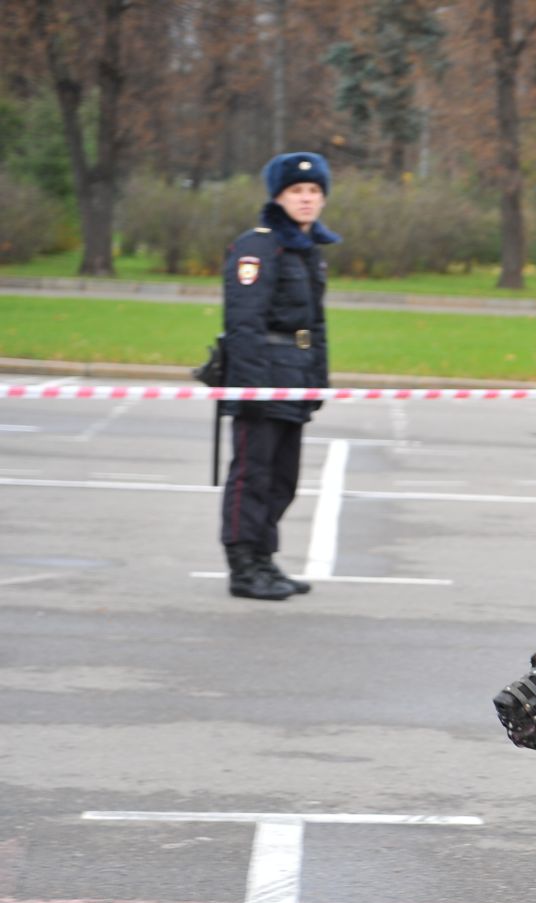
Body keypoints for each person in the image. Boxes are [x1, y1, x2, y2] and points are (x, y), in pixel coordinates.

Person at [218, 151, 338, 600]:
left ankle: (265, 559)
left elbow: (315, 326)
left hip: (295, 375)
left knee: (282, 478)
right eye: (296, 191)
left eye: (313, 191)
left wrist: (317, 382)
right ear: (279, 195)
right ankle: (243, 566)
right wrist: (249, 388)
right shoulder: (259, 246)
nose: (306, 199)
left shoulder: (306, 251)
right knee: (253, 474)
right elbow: (244, 322)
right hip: (262, 375)